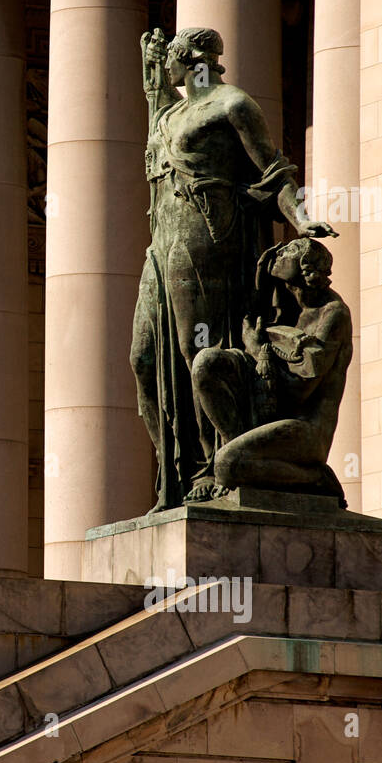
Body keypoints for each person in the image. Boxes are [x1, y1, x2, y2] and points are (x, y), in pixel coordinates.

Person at [131, 26, 337, 510]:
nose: (167, 72)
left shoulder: (232, 106)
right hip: (162, 245)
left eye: (171, 63)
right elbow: (156, 112)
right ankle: (175, 473)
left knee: (193, 349)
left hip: (208, 240)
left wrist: (302, 218)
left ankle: (210, 466)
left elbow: (273, 171)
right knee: (143, 358)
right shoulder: (170, 113)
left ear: (188, 62)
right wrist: (150, 69)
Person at [190, 237, 351, 502]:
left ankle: (315, 476)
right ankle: (236, 452)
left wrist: (257, 351)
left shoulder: (332, 314)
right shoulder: (286, 307)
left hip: (305, 432)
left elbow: (298, 390)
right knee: (206, 363)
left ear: (304, 266)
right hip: (272, 423)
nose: (278, 253)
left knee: (226, 465)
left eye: (288, 251)